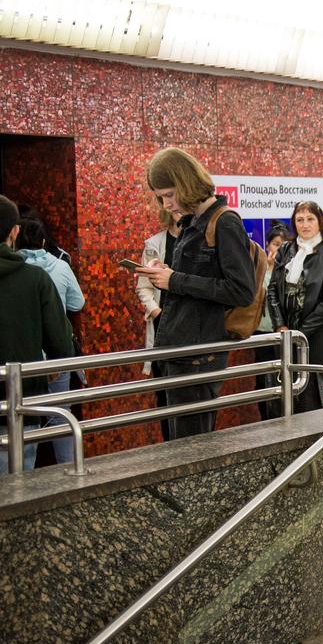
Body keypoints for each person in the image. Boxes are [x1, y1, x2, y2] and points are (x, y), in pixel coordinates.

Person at [136, 147, 256, 440]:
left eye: (169, 195)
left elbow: (242, 291)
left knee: (190, 448)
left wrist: (175, 280)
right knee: (177, 443)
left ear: (186, 183)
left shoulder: (224, 222)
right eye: (160, 197)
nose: (166, 204)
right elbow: (196, 280)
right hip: (177, 349)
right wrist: (164, 274)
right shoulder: (190, 224)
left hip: (198, 355)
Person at [0, 195, 73, 483]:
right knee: (15, 491)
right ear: (15, 231)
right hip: (21, 403)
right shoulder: (35, 279)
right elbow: (60, 345)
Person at [16, 215, 85, 464]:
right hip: (58, 351)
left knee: (23, 416)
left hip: (27, 354)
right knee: (60, 415)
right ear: (44, 240)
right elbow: (78, 303)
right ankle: (69, 470)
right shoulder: (60, 265)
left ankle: (23, 480)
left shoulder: (15, 271)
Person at [267, 200, 323, 413]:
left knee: (317, 386)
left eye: (310, 219)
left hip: (319, 332)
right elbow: (272, 289)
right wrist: (280, 325)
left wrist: (301, 332)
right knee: (290, 387)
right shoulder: (285, 250)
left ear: (320, 222)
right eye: (300, 219)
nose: (305, 224)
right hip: (286, 333)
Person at [136, 202, 182, 438]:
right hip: (162, 326)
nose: (177, 211)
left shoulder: (198, 242)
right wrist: (156, 312)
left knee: (186, 394)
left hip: (187, 327)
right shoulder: (154, 244)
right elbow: (143, 287)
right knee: (164, 392)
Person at [254, 223, 291, 420]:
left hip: (286, 332)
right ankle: (267, 418)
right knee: (264, 380)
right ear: (268, 245)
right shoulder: (260, 268)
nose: (279, 249)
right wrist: (269, 268)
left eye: (284, 244)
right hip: (263, 332)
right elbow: (260, 295)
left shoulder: (293, 268)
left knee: (286, 379)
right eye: (276, 244)